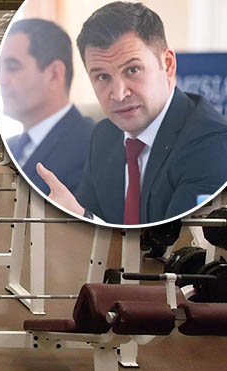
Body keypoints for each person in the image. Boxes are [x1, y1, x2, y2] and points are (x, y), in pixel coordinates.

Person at [38, 1, 227, 225]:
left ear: (167, 65)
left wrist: (81, 218)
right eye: (102, 77)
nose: (119, 94)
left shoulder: (212, 144)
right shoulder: (104, 136)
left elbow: (177, 241)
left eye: (132, 70)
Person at [0, 18, 94, 195]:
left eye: (12, 67)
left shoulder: (94, 149)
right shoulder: (12, 147)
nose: (0, 80)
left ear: (54, 74)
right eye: (0, 70)